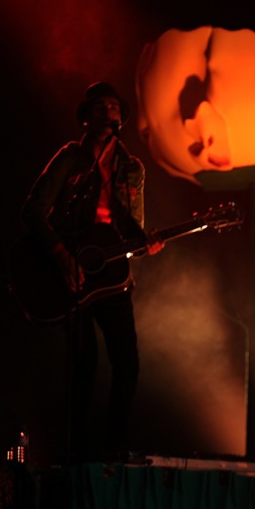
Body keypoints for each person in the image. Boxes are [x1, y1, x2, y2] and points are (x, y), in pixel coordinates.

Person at [21, 81, 163, 458]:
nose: (109, 113)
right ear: (86, 117)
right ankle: (76, 456)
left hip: (111, 276)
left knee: (127, 363)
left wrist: (145, 243)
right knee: (84, 364)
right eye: (100, 107)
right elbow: (33, 211)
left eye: (114, 107)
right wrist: (61, 255)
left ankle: (113, 454)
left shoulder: (131, 169)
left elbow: (132, 229)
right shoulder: (71, 158)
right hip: (70, 271)